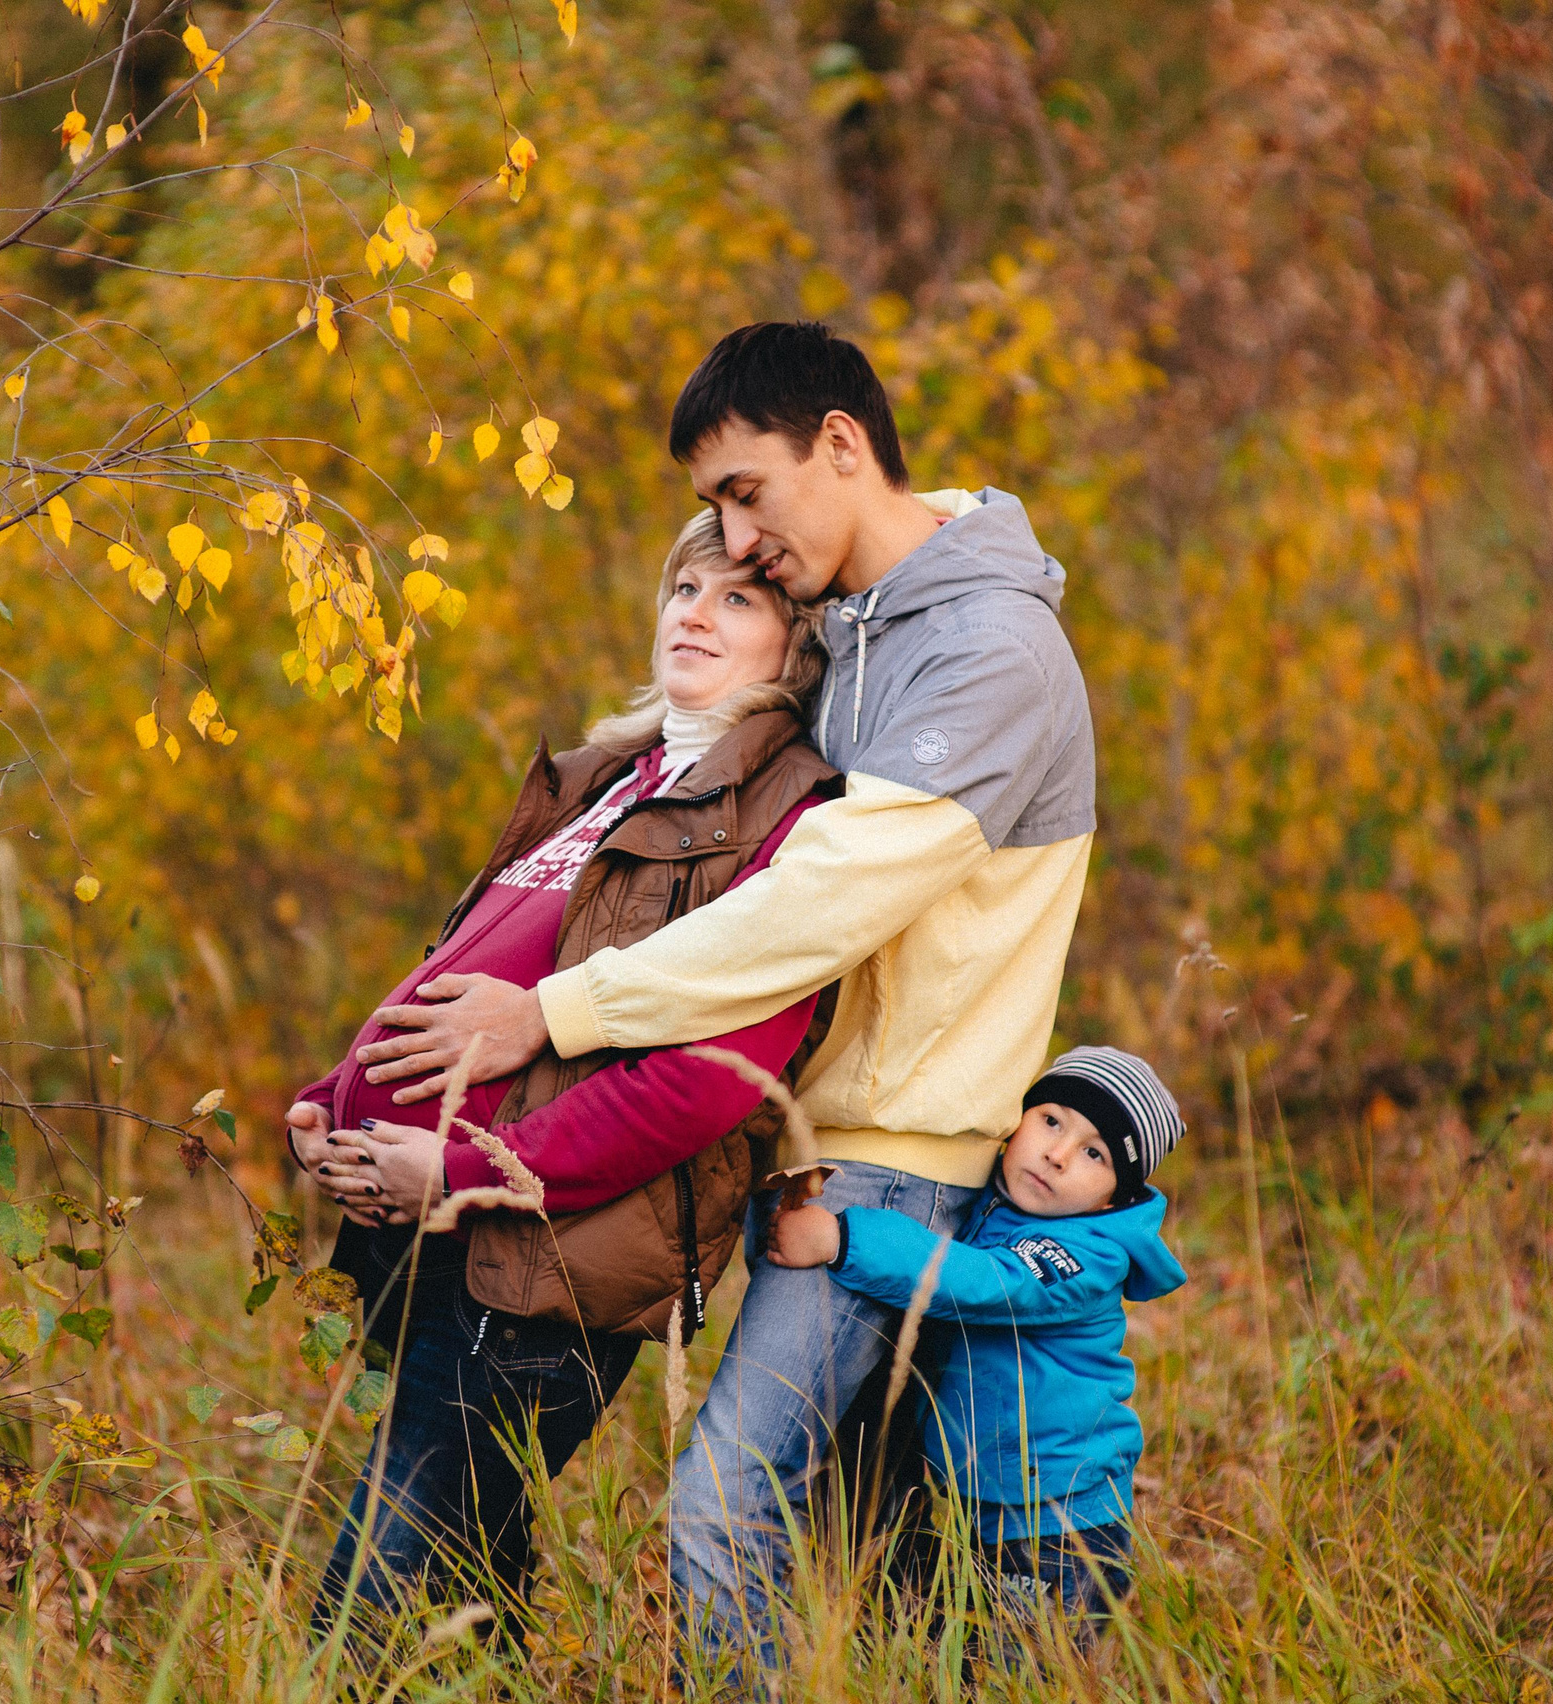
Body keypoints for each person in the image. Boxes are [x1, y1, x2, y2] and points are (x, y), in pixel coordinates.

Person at [336, 320, 1101, 1670]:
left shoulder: (990, 652)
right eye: (711, 513)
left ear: (843, 446)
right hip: (803, 1156)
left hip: (896, 1153)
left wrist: (560, 1013)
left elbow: (822, 902)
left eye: (745, 493)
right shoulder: (865, 628)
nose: (733, 546)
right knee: (887, 1544)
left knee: (732, 1507)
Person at [284, 508, 841, 1632]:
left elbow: (709, 1079)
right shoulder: (605, 779)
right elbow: (468, 968)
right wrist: (331, 1102)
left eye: (738, 599)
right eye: (683, 588)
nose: (693, 613)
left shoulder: (789, 816)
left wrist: (466, 1170)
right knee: (463, 1600)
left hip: (546, 1258)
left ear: (797, 647)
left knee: (367, 1616)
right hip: (435, 1231)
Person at [768, 1045, 1186, 1658]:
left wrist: (843, 1237)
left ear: (1112, 1199)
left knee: (1016, 1675)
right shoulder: (991, 1205)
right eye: (1050, 1120)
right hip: (979, 1509)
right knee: (939, 1653)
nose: (1057, 1154)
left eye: (1093, 1153)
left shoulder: (1086, 1255)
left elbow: (984, 1282)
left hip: (1059, 1527)